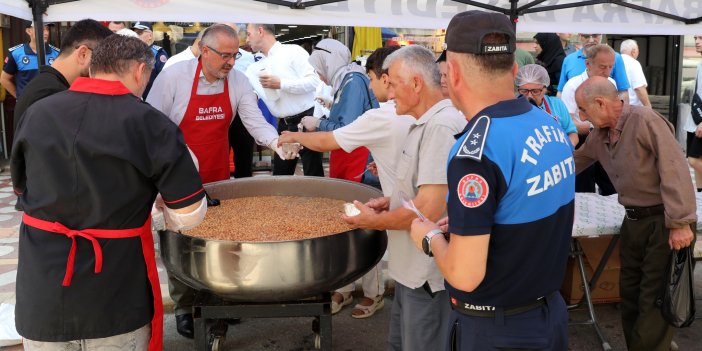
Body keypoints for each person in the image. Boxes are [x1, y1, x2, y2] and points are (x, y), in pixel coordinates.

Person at [12, 34, 206, 351]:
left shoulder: (39, 113)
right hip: (115, 295)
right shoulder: (151, 123)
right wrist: (155, 206)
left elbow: (22, 189)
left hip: (42, 293)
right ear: (141, 70)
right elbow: (189, 215)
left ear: (92, 66)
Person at [409, 11, 574, 350]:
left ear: (452, 74)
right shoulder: (549, 125)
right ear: (514, 71)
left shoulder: (475, 151)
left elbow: (464, 275)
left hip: (497, 330)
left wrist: (427, 238)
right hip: (547, 315)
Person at [147, 24, 290, 339]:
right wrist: (161, 179)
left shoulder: (238, 81)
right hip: (177, 181)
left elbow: (254, 122)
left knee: (218, 245)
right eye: (224, 55)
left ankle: (220, 301)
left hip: (218, 177)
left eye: (234, 54)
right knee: (182, 245)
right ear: (204, 50)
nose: (230, 61)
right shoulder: (173, 77)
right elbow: (152, 129)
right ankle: (185, 308)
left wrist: (278, 143)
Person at [343, 45, 466, 351]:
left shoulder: (440, 125)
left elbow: (428, 208)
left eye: (393, 83)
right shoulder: (422, 122)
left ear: (415, 83)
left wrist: (375, 220)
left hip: (427, 275)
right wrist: (393, 200)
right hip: (411, 272)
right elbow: (424, 192)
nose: (389, 91)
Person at [280, 46, 412, 318]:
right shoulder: (355, 88)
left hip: (357, 166)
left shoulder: (355, 84)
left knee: (367, 227)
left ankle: (372, 292)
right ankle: (346, 285)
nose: (370, 85)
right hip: (353, 163)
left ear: (384, 78)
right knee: (349, 225)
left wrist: (300, 134)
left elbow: (342, 131)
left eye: (372, 79)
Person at [573, 76, 696, 351]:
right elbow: (572, 163)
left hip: (664, 221)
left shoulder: (645, 121)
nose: (581, 116)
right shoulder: (600, 135)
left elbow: (674, 170)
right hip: (633, 221)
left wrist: (680, 223)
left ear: (601, 103)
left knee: (654, 300)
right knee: (629, 294)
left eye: (583, 109)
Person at [245, 23, 323, 176]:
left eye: (248, 34)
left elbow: (314, 81)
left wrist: (281, 83)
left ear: (260, 31)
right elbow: (250, 95)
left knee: (313, 175)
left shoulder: (293, 52)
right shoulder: (254, 68)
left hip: (307, 122)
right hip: (283, 125)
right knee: (280, 175)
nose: (247, 39)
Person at [301, 38, 379, 181]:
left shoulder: (352, 81)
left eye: (319, 69)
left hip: (357, 160)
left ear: (327, 64)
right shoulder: (347, 79)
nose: (319, 75)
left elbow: (346, 129)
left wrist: (317, 123)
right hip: (350, 155)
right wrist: (333, 105)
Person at [14, 19, 113, 131]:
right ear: (83, 54)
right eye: (103, 60)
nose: (105, 69)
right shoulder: (51, 94)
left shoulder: (47, 86)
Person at [561, 44, 618, 196]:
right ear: (588, 63)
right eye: (602, 67)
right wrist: (593, 127)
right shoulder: (572, 85)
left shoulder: (611, 83)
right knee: (583, 189)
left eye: (610, 67)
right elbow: (568, 123)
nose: (607, 72)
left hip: (607, 140)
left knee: (613, 186)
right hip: (583, 141)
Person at [557, 33, 630, 103]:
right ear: (580, 36)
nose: (591, 40)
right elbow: (561, 92)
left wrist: (619, 113)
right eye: (586, 36)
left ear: (601, 35)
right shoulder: (569, 60)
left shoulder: (615, 57)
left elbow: (623, 92)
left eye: (595, 35)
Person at [516, 64, 578, 146]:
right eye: (524, 91)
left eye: (535, 91)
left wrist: (566, 149)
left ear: (545, 89)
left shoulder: (556, 104)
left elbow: (572, 133)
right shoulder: (513, 108)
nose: (529, 96)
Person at [1, 21, 60, 98]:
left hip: (49, 104)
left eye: (47, 29)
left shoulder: (56, 53)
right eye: (41, 29)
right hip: (27, 107)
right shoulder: (16, 53)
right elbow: (4, 79)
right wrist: (20, 98)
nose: (46, 33)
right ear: (29, 31)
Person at [132, 21, 168, 99]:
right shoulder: (131, 51)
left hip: (151, 99)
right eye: (134, 33)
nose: (136, 36)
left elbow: (163, 80)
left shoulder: (158, 53)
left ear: (150, 36)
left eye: (139, 33)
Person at [686, 35, 702, 192]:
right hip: (694, 120)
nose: (697, 42)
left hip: (700, 121)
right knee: (697, 162)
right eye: (696, 38)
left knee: (693, 160)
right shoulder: (700, 64)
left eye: (701, 38)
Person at [620, 39, 652, 107]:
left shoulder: (614, 61)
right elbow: (638, 87)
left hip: (617, 106)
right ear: (633, 51)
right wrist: (648, 107)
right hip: (632, 108)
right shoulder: (633, 63)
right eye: (638, 50)